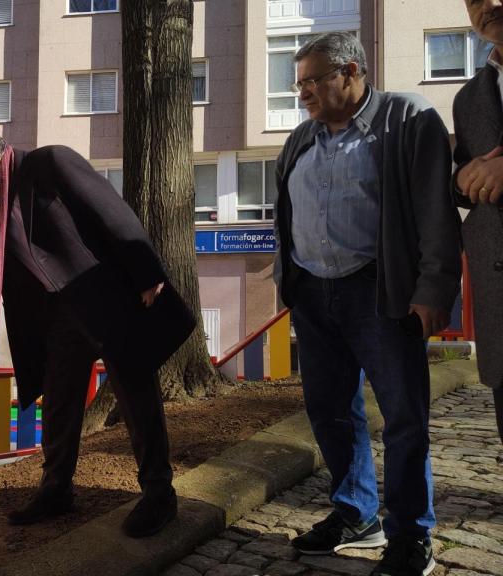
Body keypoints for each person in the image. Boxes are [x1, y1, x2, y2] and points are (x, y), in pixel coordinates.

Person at [0, 126, 195, 538]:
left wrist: (147, 272)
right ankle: (56, 489)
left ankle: (158, 493)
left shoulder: (50, 164)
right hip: (57, 317)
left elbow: (111, 210)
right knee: (59, 401)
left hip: (104, 298)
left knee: (136, 394)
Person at [272, 33, 461, 576]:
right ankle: (356, 514)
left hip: (380, 293)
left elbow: (435, 211)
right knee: (330, 411)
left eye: (312, 80)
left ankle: (410, 535)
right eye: (299, 82)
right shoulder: (301, 138)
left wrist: (433, 288)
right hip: (313, 294)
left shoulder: (407, 119)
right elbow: (286, 212)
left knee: (403, 417)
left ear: (349, 72)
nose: (302, 91)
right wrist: (290, 282)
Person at [452, 0, 503, 446]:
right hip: (498, 302)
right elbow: (466, 174)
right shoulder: (468, 98)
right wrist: (461, 178)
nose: (489, 4)